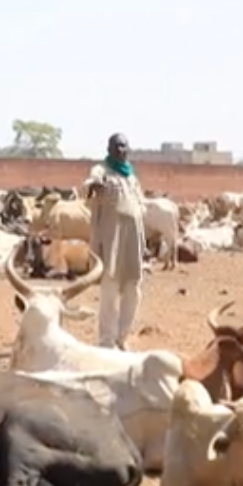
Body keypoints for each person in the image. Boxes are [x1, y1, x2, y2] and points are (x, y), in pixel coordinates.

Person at [84, 133, 146, 350]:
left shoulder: (131, 176)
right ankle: (106, 340)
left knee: (134, 287)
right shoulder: (102, 170)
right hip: (112, 236)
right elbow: (91, 182)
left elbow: (141, 203)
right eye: (117, 146)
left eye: (124, 146)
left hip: (133, 237)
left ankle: (122, 337)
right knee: (110, 286)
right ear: (109, 149)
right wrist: (95, 185)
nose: (121, 150)